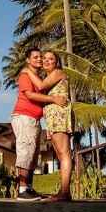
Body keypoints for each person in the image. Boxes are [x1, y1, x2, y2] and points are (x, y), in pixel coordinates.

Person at [10, 47, 68, 201]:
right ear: (28, 60)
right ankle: (22, 190)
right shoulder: (26, 75)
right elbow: (29, 94)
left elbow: (41, 88)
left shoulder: (39, 78)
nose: (39, 59)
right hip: (24, 116)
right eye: (35, 57)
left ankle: (29, 188)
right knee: (25, 152)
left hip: (34, 119)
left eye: (40, 56)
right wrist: (53, 99)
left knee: (33, 155)